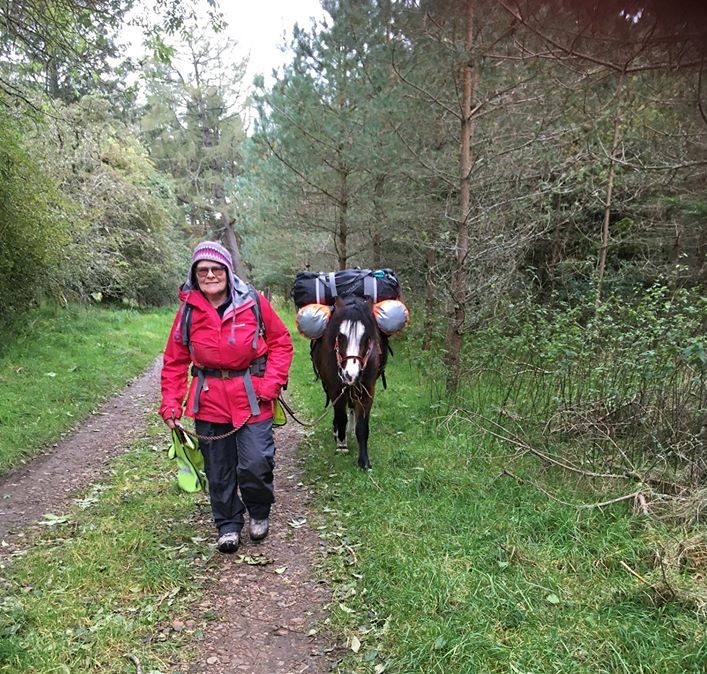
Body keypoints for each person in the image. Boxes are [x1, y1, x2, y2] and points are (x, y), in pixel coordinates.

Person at [159, 241, 293, 553]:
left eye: (216, 269)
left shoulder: (253, 302)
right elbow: (175, 360)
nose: (209, 275)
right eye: (202, 270)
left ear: (227, 271)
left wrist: (271, 385)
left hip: (252, 396)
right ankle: (228, 524)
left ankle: (259, 511)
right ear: (194, 275)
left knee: (256, 461)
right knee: (218, 467)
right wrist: (171, 402)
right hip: (208, 400)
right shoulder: (188, 312)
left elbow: (281, 342)